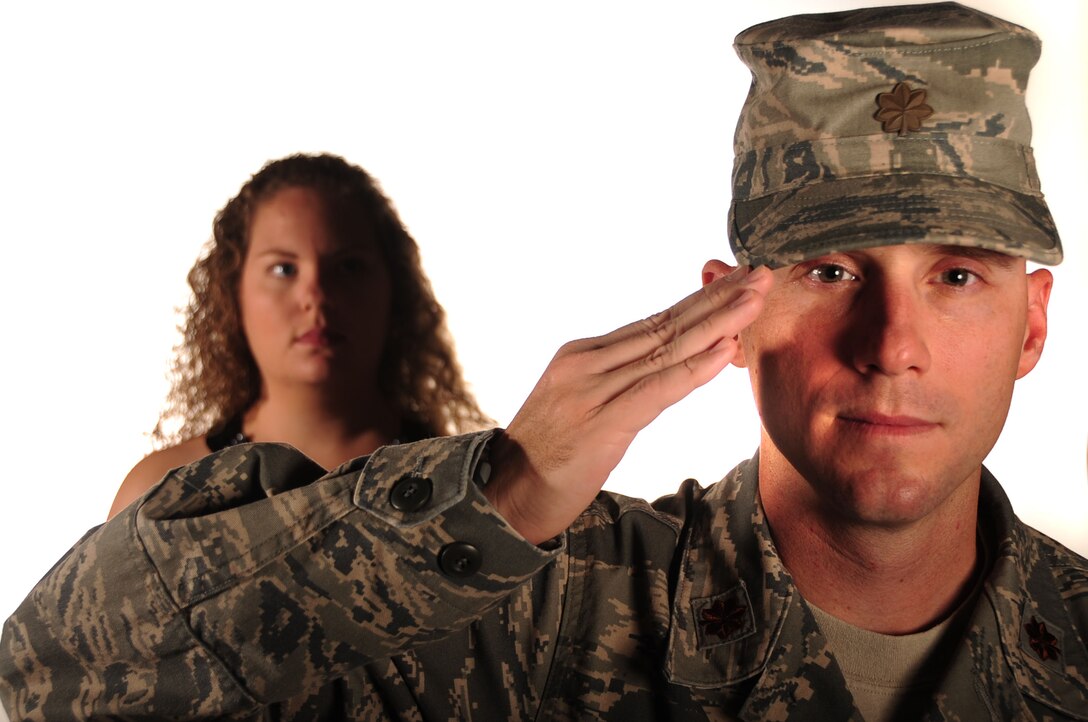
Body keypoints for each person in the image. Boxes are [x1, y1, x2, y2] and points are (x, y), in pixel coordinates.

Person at [2, 4, 1086, 721]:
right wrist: (502, 493)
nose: (891, 347)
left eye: (956, 277)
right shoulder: (541, 606)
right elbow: (59, 669)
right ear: (730, 311)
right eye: (831, 272)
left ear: (1030, 322)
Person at [106, 153, 490, 519]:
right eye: (284, 269)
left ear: (395, 289)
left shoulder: (474, 484)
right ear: (231, 295)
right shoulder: (160, 495)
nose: (316, 295)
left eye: (349, 266)